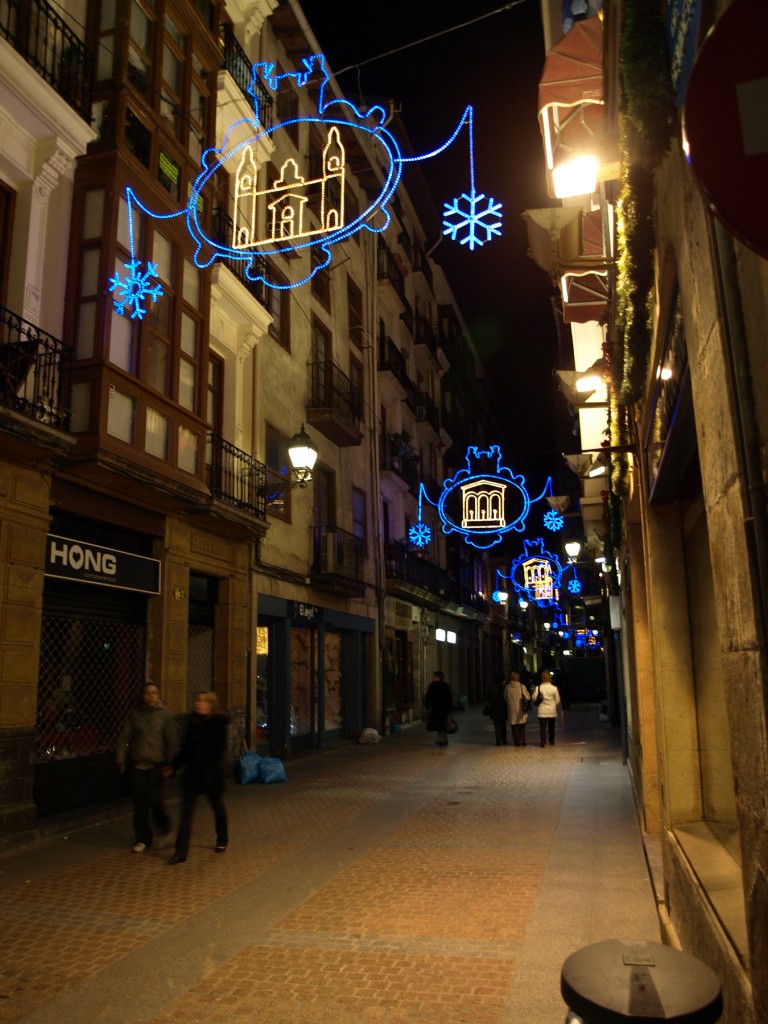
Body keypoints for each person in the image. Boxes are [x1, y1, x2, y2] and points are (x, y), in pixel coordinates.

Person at [166, 690, 230, 864]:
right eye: (196, 700)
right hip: (192, 775)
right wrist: (173, 766)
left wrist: (209, 769)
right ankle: (180, 852)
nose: (197, 703)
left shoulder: (218, 724)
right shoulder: (193, 722)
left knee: (217, 807)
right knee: (186, 812)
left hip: (211, 775)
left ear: (211, 704)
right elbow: (186, 749)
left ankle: (222, 838)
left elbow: (218, 751)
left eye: (202, 701)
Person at [116, 682, 177, 853]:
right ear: (142, 696)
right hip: (139, 765)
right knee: (140, 803)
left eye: (154, 693)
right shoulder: (136, 715)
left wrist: (170, 763)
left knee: (155, 800)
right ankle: (143, 839)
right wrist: (120, 759)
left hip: (157, 765)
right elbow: (124, 737)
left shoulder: (165, 715)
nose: (151, 696)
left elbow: (172, 740)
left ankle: (166, 827)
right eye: (148, 693)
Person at [533, 670, 563, 747]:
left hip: (542, 710)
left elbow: (533, 698)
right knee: (551, 726)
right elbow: (557, 700)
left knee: (542, 727)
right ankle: (551, 740)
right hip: (551, 710)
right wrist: (553, 704)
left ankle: (542, 741)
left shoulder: (538, 688)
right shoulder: (554, 688)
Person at [425, 670, 452, 746]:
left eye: (434, 676)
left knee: (439, 724)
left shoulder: (433, 685)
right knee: (442, 724)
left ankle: (442, 739)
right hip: (443, 708)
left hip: (437, 708)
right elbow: (449, 698)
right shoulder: (445, 685)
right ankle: (443, 738)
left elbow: (428, 697)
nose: (433, 677)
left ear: (437, 677)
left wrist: (428, 706)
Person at [504, 671, 531, 747]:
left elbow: (505, 698)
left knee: (514, 726)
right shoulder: (522, 687)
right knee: (522, 725)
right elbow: (528, 697)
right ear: (518, 678)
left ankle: (517, 742)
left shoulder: (507, 688)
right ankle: (523, 740)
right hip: (521, 709)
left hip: (511, 709)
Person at [486, 674, 508, 745]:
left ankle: (498, 741)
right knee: (503, 725)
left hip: (494, 709)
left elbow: (488, 698)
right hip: (503, 709)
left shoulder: (492, 688)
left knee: (497, 726)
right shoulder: (504, 688)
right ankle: (504, 740)